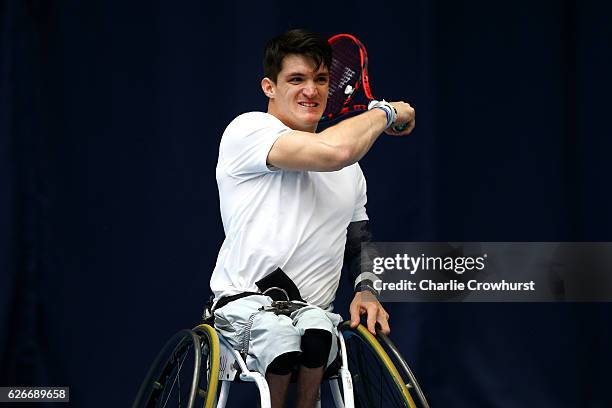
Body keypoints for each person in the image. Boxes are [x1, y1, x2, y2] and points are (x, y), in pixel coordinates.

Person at [209, 29, 415, 408]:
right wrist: (385, 112)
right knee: (284, 342)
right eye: (296, 79)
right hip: (246, 309)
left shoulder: (350, 172)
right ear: (269, 87)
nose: (312, 90)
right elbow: (335, 149)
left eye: (321, 79)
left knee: (317, 336)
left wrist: (366, 289)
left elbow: (359, 242)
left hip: (315, 316)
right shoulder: (249, 130)